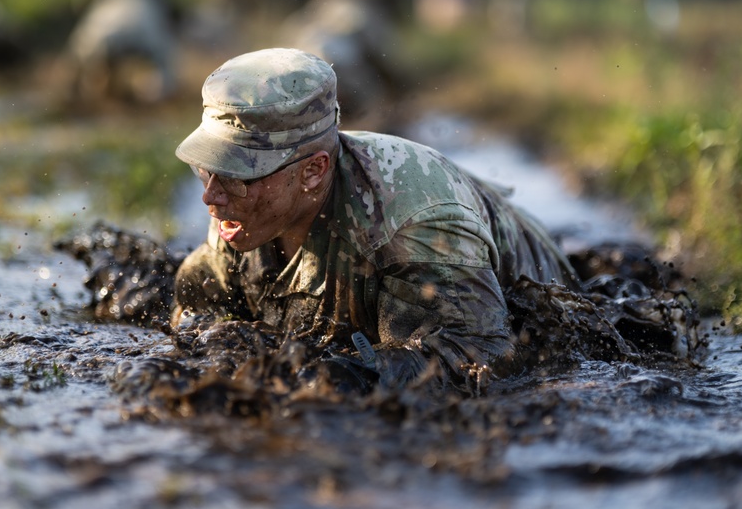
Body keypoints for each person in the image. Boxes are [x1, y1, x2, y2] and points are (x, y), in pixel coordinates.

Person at [169, 47, 577, 392]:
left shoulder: (414, 224)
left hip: (537, 290)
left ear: (313, 171)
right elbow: (197, 305)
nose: (211, 195)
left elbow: (479, 361)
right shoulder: (241, 205)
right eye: (208, 168)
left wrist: (332, 378)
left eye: (237, 174)